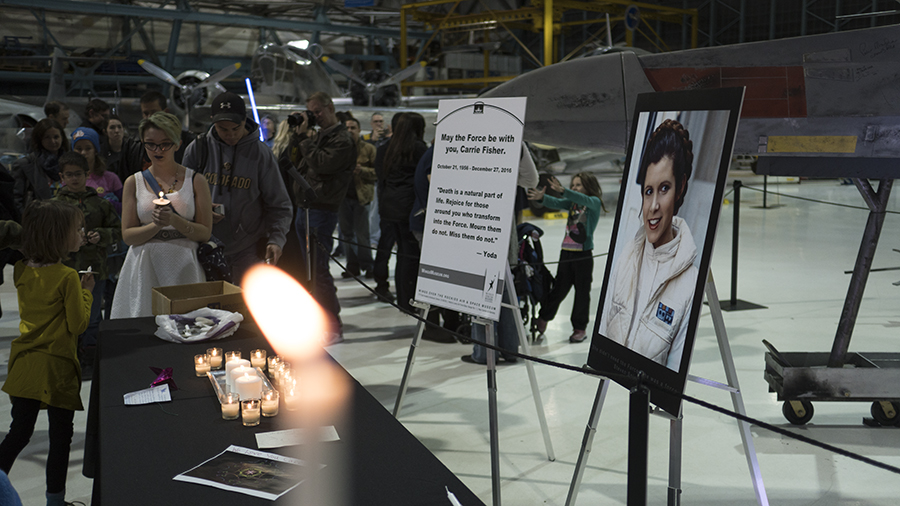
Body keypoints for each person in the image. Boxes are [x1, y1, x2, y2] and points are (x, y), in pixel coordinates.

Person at [0, 199, 94, 506]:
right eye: (77, 229)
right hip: (57, 368)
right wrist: (86, 293)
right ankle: (55, 501)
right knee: (60, 439)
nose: (82, 233)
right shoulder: (67, 276)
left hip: (25, 363)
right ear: (58, 236)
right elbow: (78, 324)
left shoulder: (19, 269)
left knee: (18, 433)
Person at [599, 119, 698, 370]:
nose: (653, 206)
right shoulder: (627, 256)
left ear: (681, 187)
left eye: (664, 189)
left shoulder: (690, 284)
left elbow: (672, 378)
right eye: (648, 191)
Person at [182, 92, 292, 285]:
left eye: (236, 128)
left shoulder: (261, 155)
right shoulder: (198, 149)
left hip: (247, 249)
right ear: (212, 122)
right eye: (223, 129)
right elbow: (181, 198)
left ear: (245, 120)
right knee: (208, 311)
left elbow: (280, 205)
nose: (230, 135)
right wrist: (202, 210)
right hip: (205, 245)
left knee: (244, 309)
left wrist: (276, 239)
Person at [110, 112, 213, 318]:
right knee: (143, 320)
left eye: (165, 144)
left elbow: (205, 233)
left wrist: (174, 220)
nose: (158, 150)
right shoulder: (134, 182)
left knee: (187, 324)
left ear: (177, 144)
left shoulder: (196, 180)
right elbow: (128, 235)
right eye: (151, 144)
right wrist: (155, 225)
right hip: (144, 263)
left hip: (184, 260)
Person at [462, 145, 540, 363]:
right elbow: (531, 180)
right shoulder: (513, 143)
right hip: (504, 229)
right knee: (505, 290)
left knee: (482, 292)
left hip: (478, 227)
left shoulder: (474, 144)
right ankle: (509, 349)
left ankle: (483, 353)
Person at [290, 91, 356, 343]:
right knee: (306, 269)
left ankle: (332, 325)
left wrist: (306, 139)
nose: (315, 116)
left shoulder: (343, 139)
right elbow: (298, 163)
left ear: (330, 108)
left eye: (317, 111)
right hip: (304, 207)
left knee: (318, 270)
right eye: (311, 112)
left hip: (322, 209)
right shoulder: (319, 135)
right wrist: (299, 138)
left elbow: (321, 165)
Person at [53, 152, 121, 377]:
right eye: (69, 175)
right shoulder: (55, 206)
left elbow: (118, 232)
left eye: (78, 174)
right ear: (62, 176)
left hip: (95, 268)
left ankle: (91, 357)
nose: (74, 179)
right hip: (64, 269)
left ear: (86, 174)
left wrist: (100, 235)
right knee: (66, 313)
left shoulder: (101, 204)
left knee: (92, 315)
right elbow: (47, 236)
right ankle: (70, 353)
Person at [529, 171, 604, 343]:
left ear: (588, 186)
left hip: (583, 255)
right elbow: (556, 202)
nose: (574, 188)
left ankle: (579, 328)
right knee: (559, 288)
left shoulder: (593, 203)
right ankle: (544, 317)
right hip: (566, 253)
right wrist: (543, 198)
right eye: (573, 184)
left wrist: (565, 191)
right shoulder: (573, 203)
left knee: (582, 293)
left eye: (578, 185)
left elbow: (582, 199)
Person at [375, 112, 427, 312]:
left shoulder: (384, 149)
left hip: (389, 207)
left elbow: (382, 178)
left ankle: (404, 301)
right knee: (410, 256)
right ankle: (409, 300)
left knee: (400, 255)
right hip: (409, 210)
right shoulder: (418, 149)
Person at [338, 115, 377, 278]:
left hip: (362, 197)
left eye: (353, 128)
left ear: (359, 130)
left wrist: (362, 170)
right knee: (347, 235)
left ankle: (368, 265)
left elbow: (377, 173)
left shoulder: (369, 149)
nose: (350, 131)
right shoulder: (339, 149)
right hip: (342, 197)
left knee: (362, 236)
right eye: (347, 128)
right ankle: (352, 266)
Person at [10, 118, 68, 214]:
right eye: (47, 137)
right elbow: (15, 201)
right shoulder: (24, 165)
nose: (53, 141)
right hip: (37, 222)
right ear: (39, 139)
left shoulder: (69, 162)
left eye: (56, 137)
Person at [71, 127, 123, 213]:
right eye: (79, 149)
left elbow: (127, 207)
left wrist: (110, 204)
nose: (83, 153)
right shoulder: (68, 179)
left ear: (95, 150)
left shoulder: (111, 178)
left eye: (88, 148)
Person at [139, 90, 196, 165]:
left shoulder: (189, 142)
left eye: (154, 112)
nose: (149, 117)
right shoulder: (136, 148)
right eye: (146, 113)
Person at [104, 114, 143, 183]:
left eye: (119, 127)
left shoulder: (132, 149)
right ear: (105, 131)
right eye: (112, 127)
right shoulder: (102, 152)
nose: (117, 131)